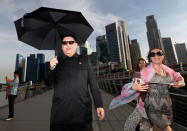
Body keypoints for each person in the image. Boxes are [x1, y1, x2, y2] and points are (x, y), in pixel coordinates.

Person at [46, 34, 105, 131]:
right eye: (64, 43)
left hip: (82, 112)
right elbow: (47, 83)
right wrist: (51, 68)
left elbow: (94, 85)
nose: (68, 44)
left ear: (76, 45)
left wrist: (99, 105)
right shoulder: (56, 62)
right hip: (60, 113)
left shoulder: (85, 60)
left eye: (71, 42)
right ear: (61, 46)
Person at [140, 48, 185, 131]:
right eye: (152, 54)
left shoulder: (168, 70)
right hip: (153, 104)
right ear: (150, 58)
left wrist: (181, 82)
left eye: (159, 53)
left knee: (157, 127)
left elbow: (179, 77)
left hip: (166, 104)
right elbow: (139, 81)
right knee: (165, 127)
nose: (156, 55)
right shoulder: (146, 71)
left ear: (163, 56)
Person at [109, 58, 149, 131]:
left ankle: (138, 127)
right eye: (140, 63)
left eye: (143, 62)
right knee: (143, 115)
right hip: (142, 96)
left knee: (144, 116)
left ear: (145, 63)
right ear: (138, 65)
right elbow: (133, 84)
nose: (142, 64)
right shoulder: (137, 74)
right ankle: (138, 127)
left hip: (151, 96)